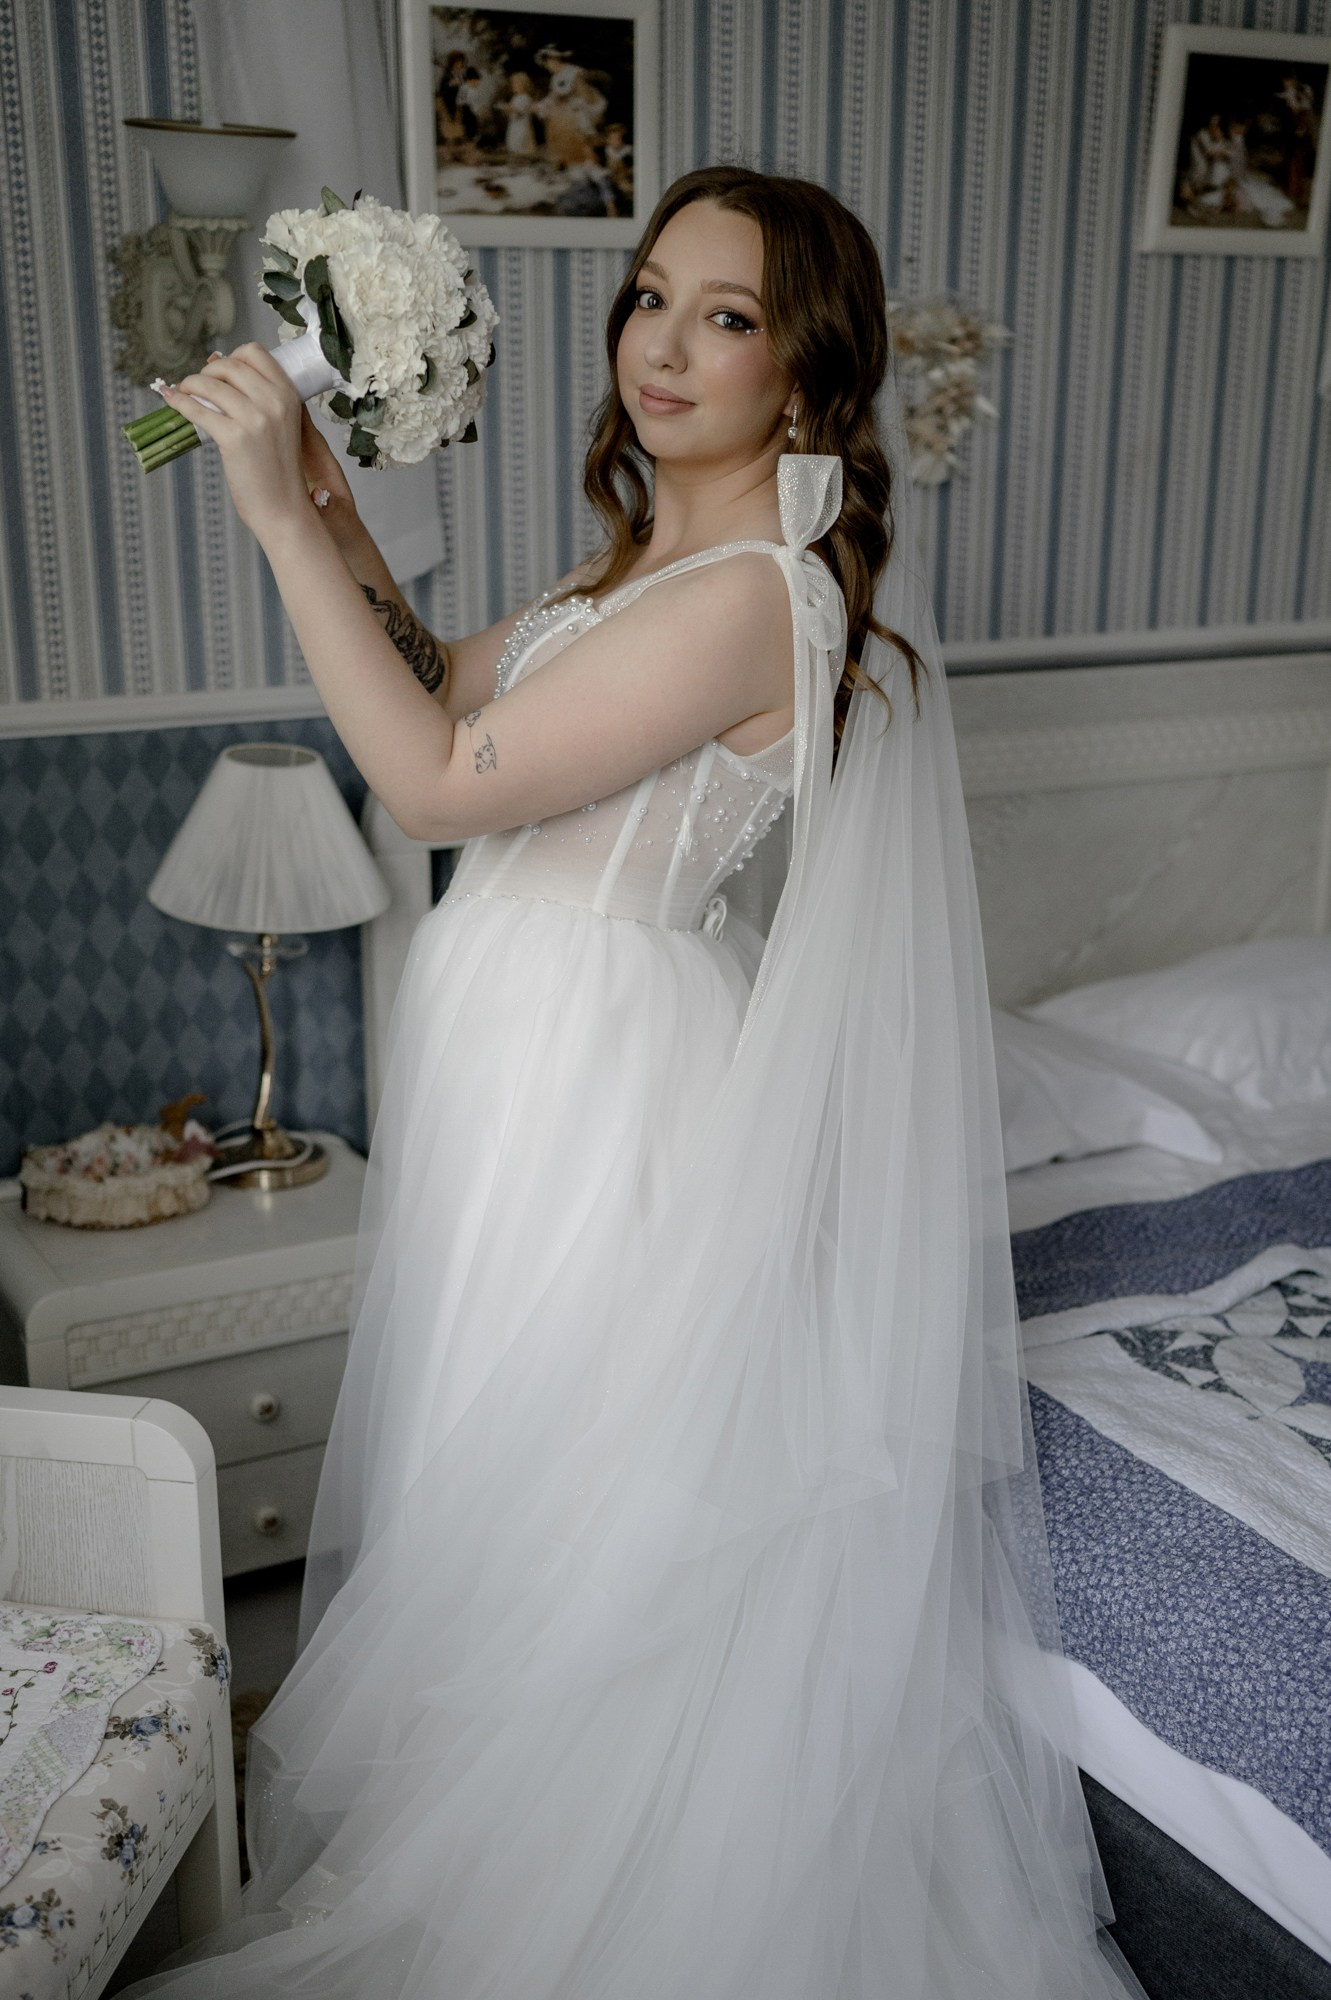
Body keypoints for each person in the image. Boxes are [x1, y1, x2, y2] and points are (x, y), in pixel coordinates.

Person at [126, 166, 1149, 1998]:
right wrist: (346, 521)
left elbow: (433, 785)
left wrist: (276, 519)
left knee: (579, 1531)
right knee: (506, 1500)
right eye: (651, 296)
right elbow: (453, 687)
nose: (663, 345)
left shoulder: (753, 596)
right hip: (537, 1079)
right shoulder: (644, 567)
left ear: (805, 368)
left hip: (610, 1098)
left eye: (727, 316)